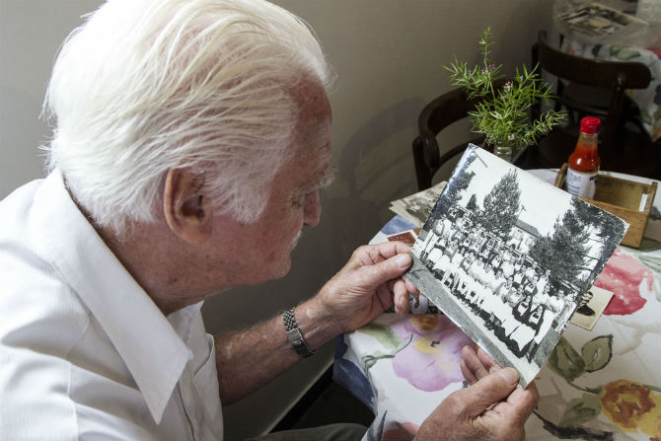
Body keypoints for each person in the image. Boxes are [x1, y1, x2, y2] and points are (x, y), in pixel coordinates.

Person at [0, 0, 538, 440]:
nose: (314, 214)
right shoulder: (68, 422)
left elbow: (185, 379)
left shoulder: (111, 233)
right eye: (301, 191)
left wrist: (324, 315)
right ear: (191, 203)